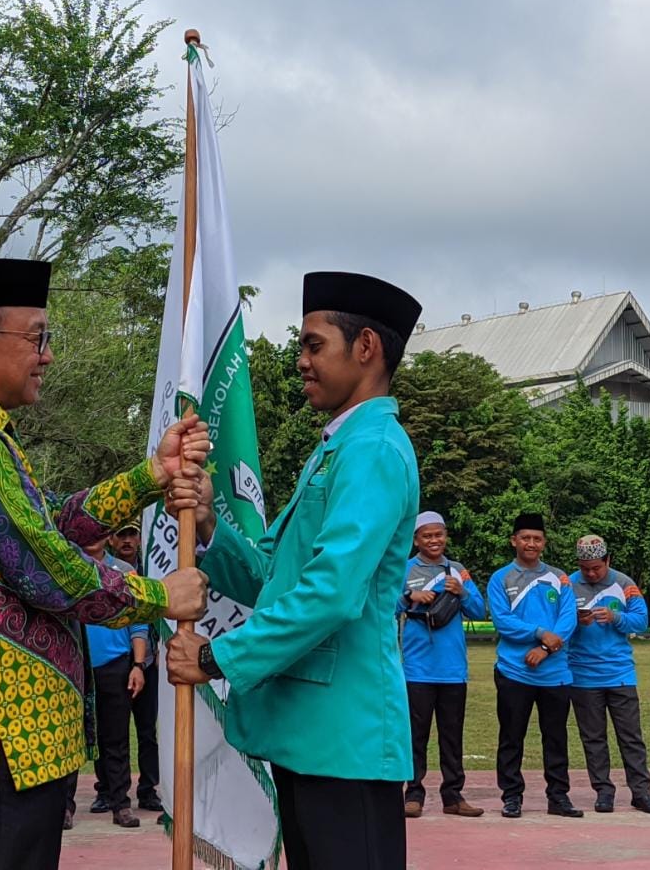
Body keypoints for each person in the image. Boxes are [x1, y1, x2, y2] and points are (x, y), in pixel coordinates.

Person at [0, 258, 209, 870]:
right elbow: (47, 568)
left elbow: (45, 524)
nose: (48, 356)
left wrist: (153, 475)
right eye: (37, 338)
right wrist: (160, 597)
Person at [165, 271, 423, 870]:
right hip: (311, 734)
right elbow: (274, 579)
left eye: (314, 345)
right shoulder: (337, 448)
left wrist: (216, 658)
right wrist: (210, 525)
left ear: (365, 348)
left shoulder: (373, 449)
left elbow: (331, 593)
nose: (301, 361)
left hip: (344, 737)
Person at [488, 512, 582, 819]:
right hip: (514, 671)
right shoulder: (501, 578)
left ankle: (559, 796)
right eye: (525, 538)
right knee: (511, 737)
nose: (531, 544)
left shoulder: (560, 577)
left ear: (544, 543)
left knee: (555, 738)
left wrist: (544, 648)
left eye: (537, 539)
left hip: (555, 674)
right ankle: (511, 796)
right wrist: (540, 633)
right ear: (514, 541)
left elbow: (568, 619)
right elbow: (503, 621)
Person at [568, 535, 650, 815]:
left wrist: (616, 618)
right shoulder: (567, 584)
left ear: (608, 560)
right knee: (593, 738)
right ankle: (603, 791)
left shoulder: (624, 584)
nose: (590, 574)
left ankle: (641, 792)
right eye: (585, 568)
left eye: (596, 568)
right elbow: (557, 623)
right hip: (582, 675)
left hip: (620, 673)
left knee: (630, 736)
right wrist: (575, 621)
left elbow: (641, 621)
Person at [398, 510, 486, 819]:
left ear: (446, 536)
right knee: (416, 735)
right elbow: (387, 605)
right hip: (417, 668)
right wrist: (410, 595)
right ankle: (414, 793)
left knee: (452, 735)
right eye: (427, 536)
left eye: (439, 534)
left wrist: (462, 592)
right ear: (416, 540)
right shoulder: (404, 569)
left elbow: (479, 610)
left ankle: (453, 795)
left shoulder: (458, 570)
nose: (434, 540)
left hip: (452, 670)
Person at [63, 539, 148, 830]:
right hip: (76, 664)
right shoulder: (68, 566)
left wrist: (138, 665)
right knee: (71, 738)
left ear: (109, 535)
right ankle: (64, 807)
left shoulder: (124, 572)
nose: (95, 535)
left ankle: (120, 804)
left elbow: (138, 621)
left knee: (117, 737)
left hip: (115, 665)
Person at [108, 520, 163, 812]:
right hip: (114, 658)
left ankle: (148, 789)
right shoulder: (105, 570)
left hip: (149, 659)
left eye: (132, 534)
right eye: (121, 535)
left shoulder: (154, 569)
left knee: (147, 730)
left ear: (140, 538)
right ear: (111, 540)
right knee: (111, 729)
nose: (127, 540)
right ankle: (108, 790)